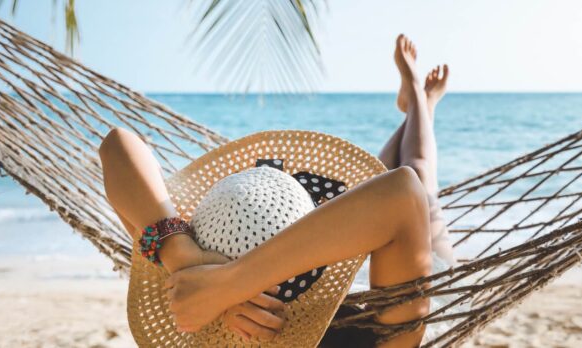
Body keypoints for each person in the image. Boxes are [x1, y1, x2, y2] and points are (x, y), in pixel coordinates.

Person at [99, 34, 449, 348]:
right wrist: (226, 285)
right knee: (419, 169)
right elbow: (404, 192)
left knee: (386, 177)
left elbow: (117, 147)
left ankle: (417, 104)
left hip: (337, 238)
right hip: (420, 273)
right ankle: (421, 101)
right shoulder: (377, 340)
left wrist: (185, 259)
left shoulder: (187, 301)